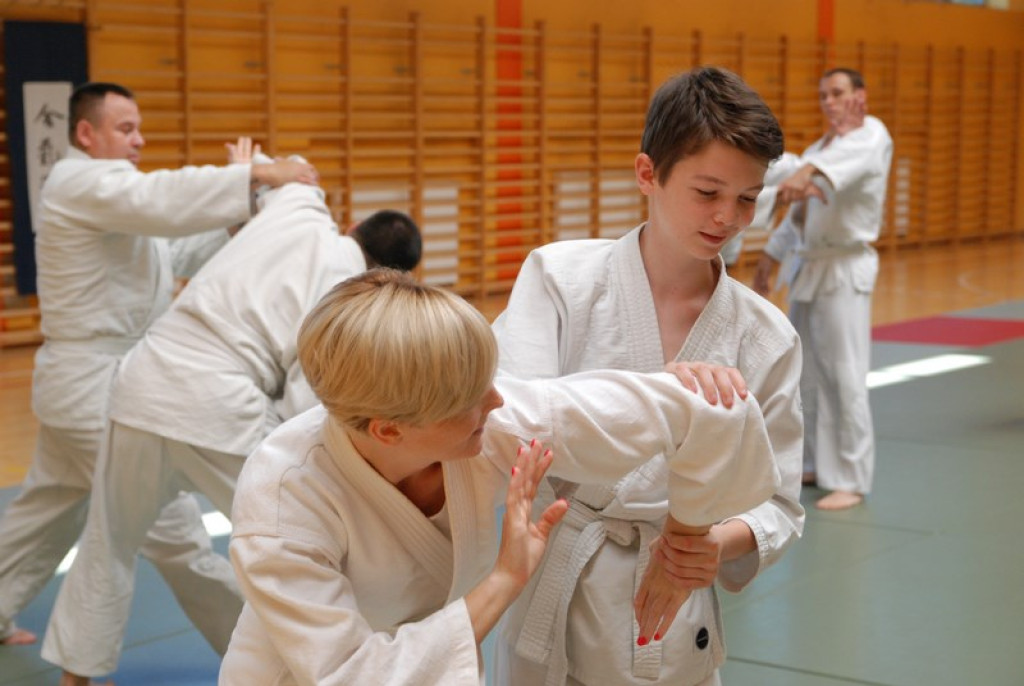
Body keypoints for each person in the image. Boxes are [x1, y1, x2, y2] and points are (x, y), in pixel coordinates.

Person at [218, 268, 783, 685]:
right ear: (389, 430)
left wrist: (685, 528)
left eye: (488, 380)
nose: (494, 399)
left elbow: (701, 411)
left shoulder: (492, 418)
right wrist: (505, 580)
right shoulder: (284, 498)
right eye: (468, 398)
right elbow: (350, 674)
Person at [38, 162, 422, 683]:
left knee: (110, 538)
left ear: (352, 226)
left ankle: (74, 676)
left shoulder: (302, 211)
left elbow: (290, 185)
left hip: (142, 379)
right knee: (295, 535)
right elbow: (304, 404)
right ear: (388, 280)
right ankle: (337, 667)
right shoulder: (347, 298)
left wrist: (262, 165)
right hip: (217, 403)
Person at [490, 66, 805, 685]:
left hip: (672, 595)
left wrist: (709, 544)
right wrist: (665, 401)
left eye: (748, 198)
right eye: (708, 192)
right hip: (558, 569)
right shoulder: (560, 278)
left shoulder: (766, 335)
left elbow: (782, 504)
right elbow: (511, 425)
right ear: (647, 175)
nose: (728, 218)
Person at [0, 81, 315, 658]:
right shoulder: (77, 182)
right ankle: (270, 656)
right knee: (176, 534)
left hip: (87, 384)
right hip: (93, 384)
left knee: (46, 510)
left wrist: (239, 205)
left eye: (140, 128)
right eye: (125, 129)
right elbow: (159, 201)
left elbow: (168, 254)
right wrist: (257, 179)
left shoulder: (105, 201)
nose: (139, 140)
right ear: (85, 134)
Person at [753, 67, 893, 511]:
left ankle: (851, 476)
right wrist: (771, 254)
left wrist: (805, 173)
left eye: (838, 93)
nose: (829, 102)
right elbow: (797, 212)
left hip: (845, 267)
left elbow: (818, 175)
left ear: (860, 97)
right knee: (805, 374)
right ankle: (813, 463)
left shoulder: (873, 135)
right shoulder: (820, 149)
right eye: (824, 95)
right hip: (808, 265)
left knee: (844, 373)